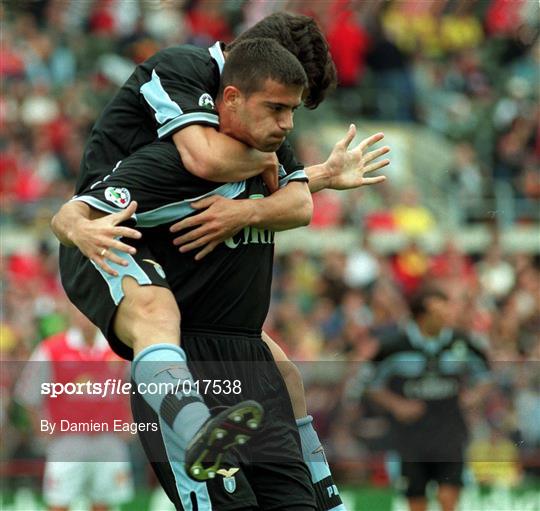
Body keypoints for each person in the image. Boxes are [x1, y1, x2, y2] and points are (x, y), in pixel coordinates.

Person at [51, 12, 389, 510]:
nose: (287, 124)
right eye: (280, 106)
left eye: (292, 110)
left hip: (174, 255)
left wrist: (262, 198)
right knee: (157, 315)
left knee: (284, 371)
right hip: (112, 229)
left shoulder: (255, 132)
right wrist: (273, 167)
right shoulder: (183, 71)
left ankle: (325, 494)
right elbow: (203, 162)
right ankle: (193, 428)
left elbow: (294, 203)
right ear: (248, 74)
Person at [367, 286, 492, 511]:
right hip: (411, 437)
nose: (446, 316)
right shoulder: (394, 346)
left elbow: (486, 374)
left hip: (450, 432)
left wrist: (475, 396)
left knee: (448, 499)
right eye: (440, 311)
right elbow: (371, 383)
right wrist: (397, 405)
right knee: (416, 503)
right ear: (422, 316)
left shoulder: (461, 342)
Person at [15, 305, 134, 511]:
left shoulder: (118, 348)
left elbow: (137, 390)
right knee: (59, 502)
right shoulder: (52, 349)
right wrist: (42, 429)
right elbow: (28, 393)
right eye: (80, 311)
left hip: (109, 438)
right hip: (68, 440)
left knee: (104, 504)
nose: (85, 317)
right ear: (70, 314)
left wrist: (131, 423)